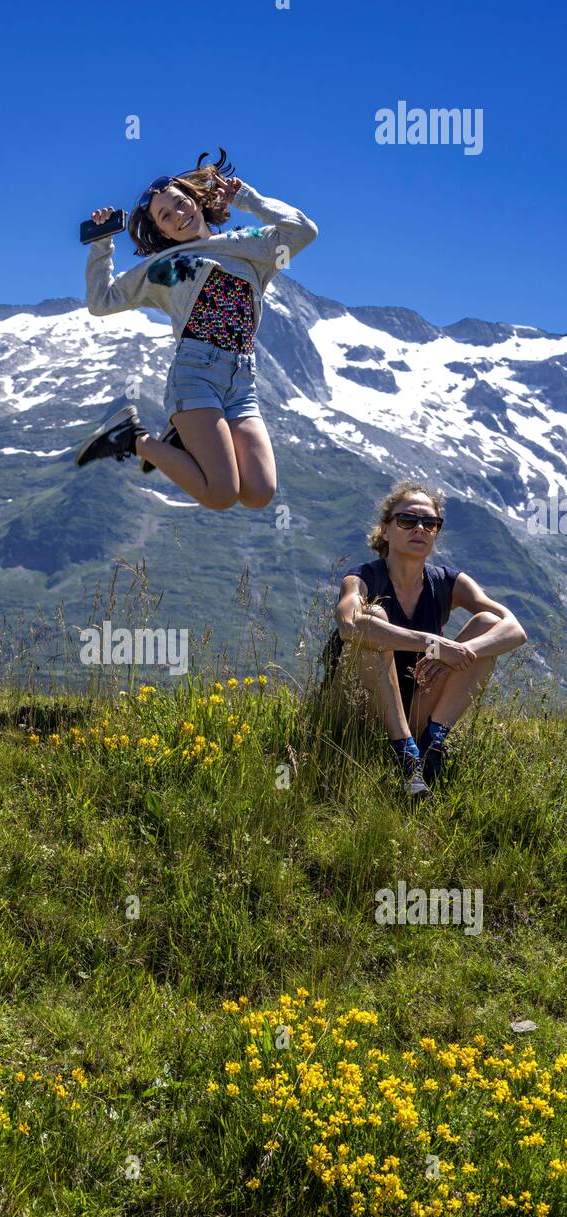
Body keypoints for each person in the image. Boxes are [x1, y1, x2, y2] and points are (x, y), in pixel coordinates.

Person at [75, 149, 317, 510]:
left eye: (180, 203)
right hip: (195, 374)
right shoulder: (163, 265)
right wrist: (101, 244)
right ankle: (132, 438)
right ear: (161, 231)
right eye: (165, 217)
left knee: (259, 493)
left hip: (242, 381)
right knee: (221, 495)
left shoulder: (247, 244)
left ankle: (179, 439)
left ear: (197, 200)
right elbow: (102, 301)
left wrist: (247, 199)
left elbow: (303, 231)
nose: (178, 216)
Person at [324, 480, 527, 797]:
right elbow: (350, 625)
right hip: (358, 709)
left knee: (488, 624)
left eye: (430, 523)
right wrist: (433, 645)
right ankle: (404, 754)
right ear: (386, 530)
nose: (420, 528)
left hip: (417, 704)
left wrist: (458, 651)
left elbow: (514, 629)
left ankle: (431, 745)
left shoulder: (447, 581)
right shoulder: (363, 577)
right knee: (373, 619)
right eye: (407, 520)